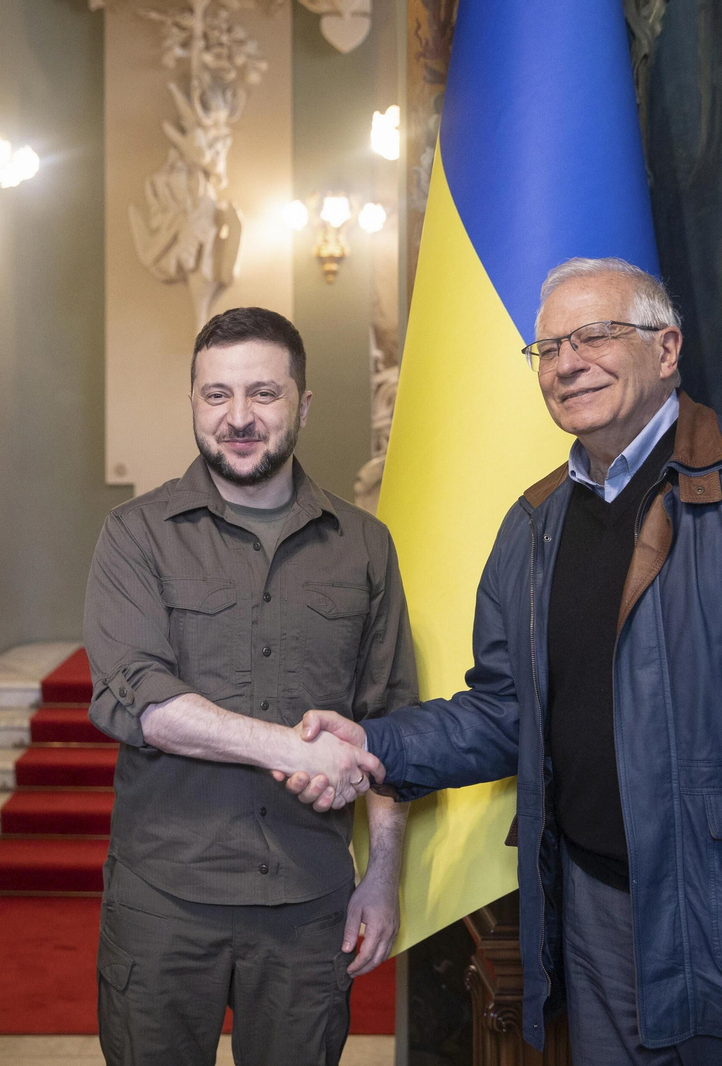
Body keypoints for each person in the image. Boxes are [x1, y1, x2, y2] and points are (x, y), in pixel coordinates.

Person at [287, 258, 722, 1065]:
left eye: (595, 335)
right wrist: (372, 744)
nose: (567, 362)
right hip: (595, 921)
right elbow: (505, 713)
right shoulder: (533, 526)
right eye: (549, 348)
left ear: (666, 349)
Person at [82, 307, 418, 1066]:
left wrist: (385, 879)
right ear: (194, 402)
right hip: (164, 903)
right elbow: (143, 701)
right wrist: (296, 753)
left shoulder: (364, 545)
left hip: (309, 906)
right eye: (216, 395)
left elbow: (392, 723)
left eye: (263, 395)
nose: (238, 418)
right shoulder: (135, 535)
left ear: (303, 405)